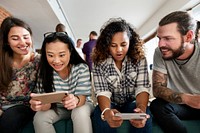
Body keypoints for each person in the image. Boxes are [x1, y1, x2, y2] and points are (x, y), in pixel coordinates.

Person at [92, 18, 152, 133]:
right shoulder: (99, 61)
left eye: (123, 44)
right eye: (113, 45)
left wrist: (141, 109)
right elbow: (102, 91)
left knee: (144, 116)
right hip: (110, 103)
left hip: (132, 103)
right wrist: (106, 111)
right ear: (106, 45)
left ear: (130, 42)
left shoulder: (140, 59)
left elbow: (142, 88)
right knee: (100, 115)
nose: (119, 50)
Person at [29, 32, 94, 133]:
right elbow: (47, 104)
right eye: (50, 55)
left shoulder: (81, 68)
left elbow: (83, 98)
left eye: (62, 55)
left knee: (79, 112)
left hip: (82, 104)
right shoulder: (43, 71)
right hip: (58, 108)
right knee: (40, 117)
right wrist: (40, 105)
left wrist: (75, 100)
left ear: (70, 52)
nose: (56, 61)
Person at [150, 11, 200, 133]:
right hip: (181, 105)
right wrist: (187, 99)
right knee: (157, 105)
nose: (161, 44)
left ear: (188, 36)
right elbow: (157, 89)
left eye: (167, 38)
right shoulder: (159, 52)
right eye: (159, 38)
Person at [0, 17, 40, 133]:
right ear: (7, 41)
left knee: (10, 119)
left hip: (24, 107)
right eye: (15, 38)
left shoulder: (39, 61)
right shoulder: (2, 61)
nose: (23, 42)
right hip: (2, 105)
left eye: (26, 37)